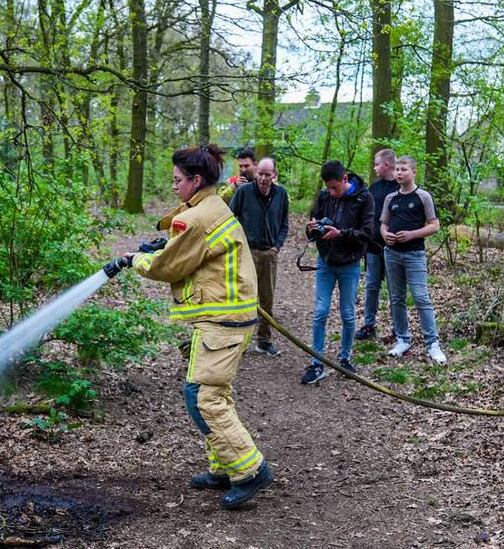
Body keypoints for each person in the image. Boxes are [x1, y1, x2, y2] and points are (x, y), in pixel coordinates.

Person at [110, 144, 273, 508]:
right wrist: (161, 246)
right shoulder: (209, 206)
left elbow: (168, 267)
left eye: (177, 180)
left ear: (196, 180)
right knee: (215, 393)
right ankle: (223, 467)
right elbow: (188, 249)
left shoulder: (198, 217)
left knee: (203, 396)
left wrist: (137, 260)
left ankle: (250, 471)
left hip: (223, 319)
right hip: (227, 316)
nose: (173, 186)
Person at [300, 160, 375, 385]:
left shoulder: (364, 198)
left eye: (335, 187)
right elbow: (313, 227)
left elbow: (367, 234)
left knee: (347, 313)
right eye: (328, 188)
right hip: (326, 262)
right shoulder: (325, 197)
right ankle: (317, 362)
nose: (331, 192)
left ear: (345, 179)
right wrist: (312, 229)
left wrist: (340, 233)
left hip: (350, 264)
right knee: (320, 311)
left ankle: (345, 358)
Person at [380, 156, 445, 364]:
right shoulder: (391, 198)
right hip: (392, 254)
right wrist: (385, 235)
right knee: (397, 298)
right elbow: (383, 224)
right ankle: (402, 339)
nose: (399, 173)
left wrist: (412, 234)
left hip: (414, 254)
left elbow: (434, 225)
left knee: (420, 297)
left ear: (414, 172)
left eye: (404, 169)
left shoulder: (423, 196)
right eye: (397, 169)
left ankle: (432, 344)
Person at [229, 157, 289, 356]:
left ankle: (264, 341)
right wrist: (238, 244)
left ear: (274, 175)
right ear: (256, 173)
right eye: (260, 174)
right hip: (246, 252)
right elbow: (230, 218)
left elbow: (284, 224)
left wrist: (276, 247)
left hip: (269, 254)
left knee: (267, 299)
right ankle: (238, 341)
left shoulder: (281, 194)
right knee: (243, 298)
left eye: (267, 174)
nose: (263, 178)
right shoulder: (244, 192)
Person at [357, 148, 398, 341]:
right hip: (373, 246)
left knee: (394, 289)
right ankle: (368, 325)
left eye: (376, 164)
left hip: (394, 248)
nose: (374, 168)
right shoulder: (373, 188)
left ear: (387, 165)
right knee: (372, 286)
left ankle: (398, 328)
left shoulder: (401, 188)